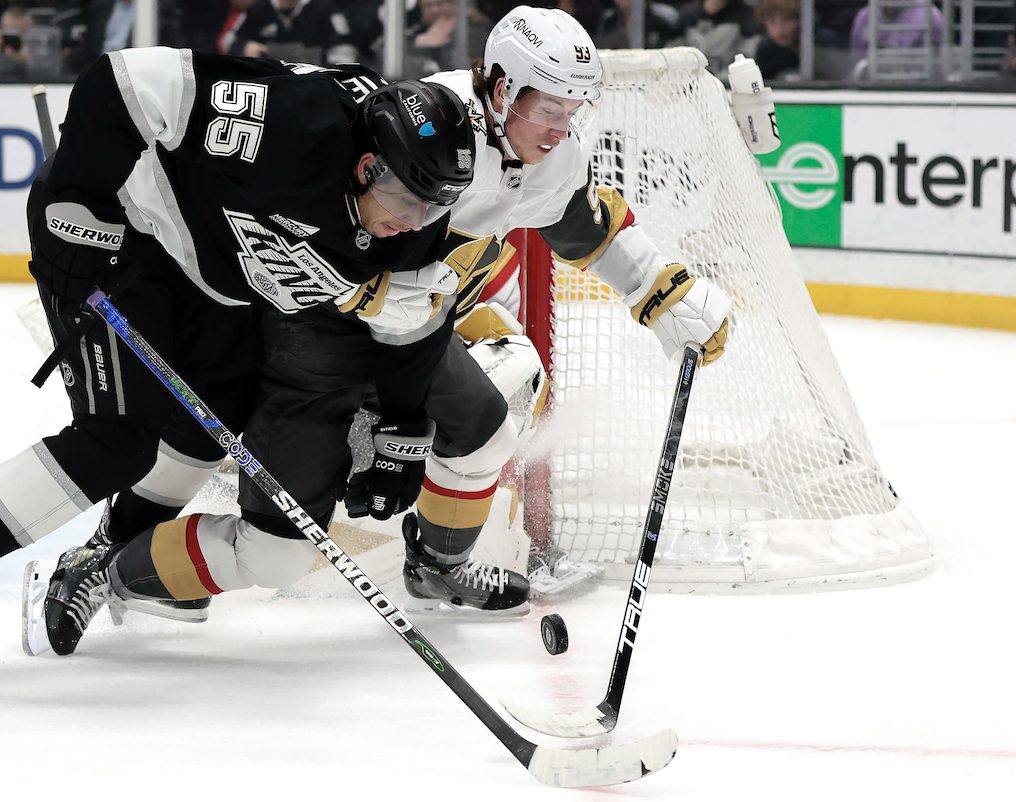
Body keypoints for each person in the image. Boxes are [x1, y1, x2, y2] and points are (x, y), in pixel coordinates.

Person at [46, 6, 732, 649]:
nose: (560, 128)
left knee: (487, 427)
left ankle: (438, 563)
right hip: (308, 331)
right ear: (498, 88)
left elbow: (580, 220)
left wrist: (662, 289)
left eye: (571, 110)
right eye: (547, 107)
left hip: (408, 328)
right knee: (269, 537)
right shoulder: (426, 128)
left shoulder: (549, 158)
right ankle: (108, 563)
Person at [0, 46, 476, 690]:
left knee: (208, 424)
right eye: (404, 199)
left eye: (432, 208)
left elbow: (413, 321)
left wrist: (404, 425)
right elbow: (128, 81)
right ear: (366, 165)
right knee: (120, 438)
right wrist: (75, 202)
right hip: (116, 236)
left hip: (209, 281)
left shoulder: (414, 221)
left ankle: (103, 552)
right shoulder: (289, 127)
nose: (413, 223)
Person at [219, 0, 357, 64]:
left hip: (316, 78)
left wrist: (334, 71)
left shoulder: (324, 8)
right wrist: (244, 46)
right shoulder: (258, 8)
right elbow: (227, 39)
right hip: (271, 78)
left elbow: (345, 42)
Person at [670, 0, 760, 81]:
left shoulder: (745, 16)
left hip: (727, 83)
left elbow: (749, 57)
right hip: (690, 83)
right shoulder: (688, 14)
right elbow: (672, 51)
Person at [753, 0, 799, 81]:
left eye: (787, 20)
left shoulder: (814, 50)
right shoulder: (763, 53)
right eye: (772, 21)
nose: (780, 29)